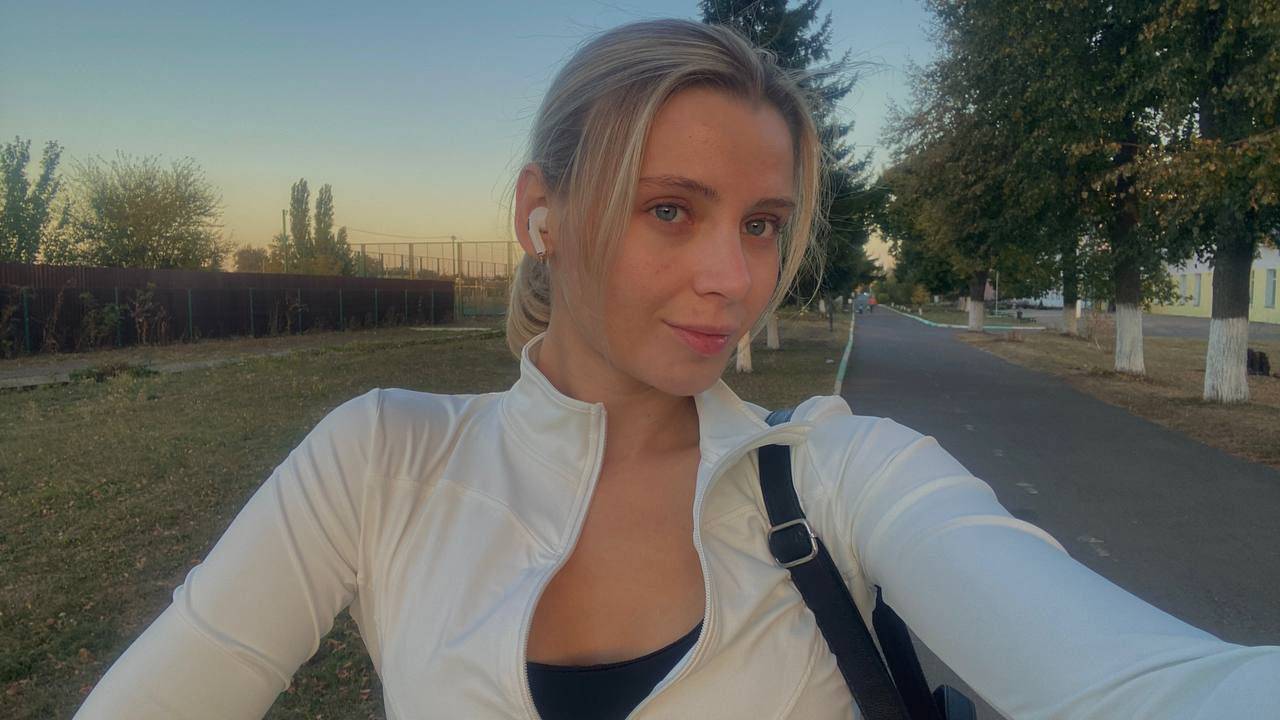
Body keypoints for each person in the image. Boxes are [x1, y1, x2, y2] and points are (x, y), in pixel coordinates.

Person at [74, 18, 1279, 720]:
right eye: (669, 210)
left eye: (760, 224)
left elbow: (1151, 687)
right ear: (541, 213)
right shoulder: (380, 462)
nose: (731, 276)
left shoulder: (842, 474)